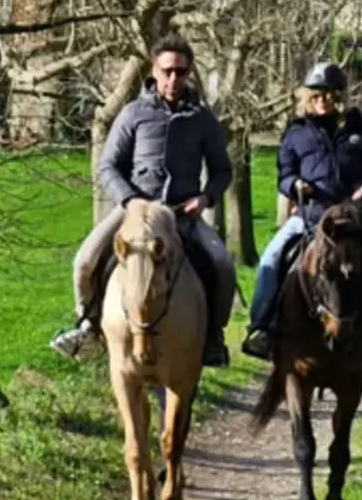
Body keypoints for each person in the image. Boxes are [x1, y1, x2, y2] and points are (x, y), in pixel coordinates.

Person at [50, 34, 236, 368]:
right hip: (134, 213)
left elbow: (222, 170)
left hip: (182, 216)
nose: (173, 79)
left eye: (180, 71)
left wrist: (206, 197)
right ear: (154, 70)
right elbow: (108, 166)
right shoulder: (132, 113)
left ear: (189, 71)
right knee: (84, 261)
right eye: (167, 71)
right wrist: (130, 199)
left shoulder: (203, 120)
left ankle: (213, 338)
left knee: (222, 264)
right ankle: (88, 326)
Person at [241, 61, 362, 367]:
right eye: (316, 94)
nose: (322, 100)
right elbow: (284, 175)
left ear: (341, 96)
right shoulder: (296, 134)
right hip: (309, 218)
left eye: (329, 94)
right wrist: (296, 184)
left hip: (352, 223)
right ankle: (261, 328)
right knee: (271, 258)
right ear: (306, 97)